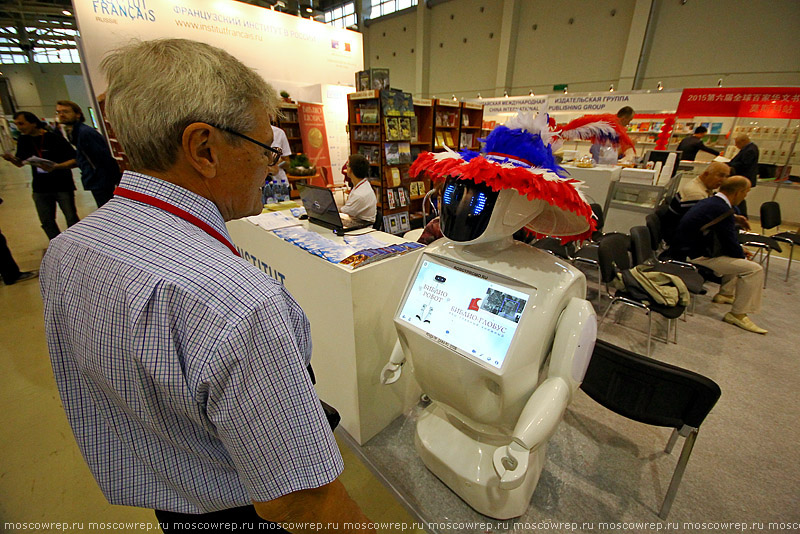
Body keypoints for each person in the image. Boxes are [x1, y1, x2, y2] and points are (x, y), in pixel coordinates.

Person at [39, 38, 374, 534]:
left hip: (172, 499)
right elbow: (301, 503)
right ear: (204, 149)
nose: (272, 167)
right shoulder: (240, 306)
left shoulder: (68, 250)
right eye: (266, 150)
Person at [674, 176, 767, 334]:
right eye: (746, 192)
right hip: (696, 254)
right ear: (738, 192)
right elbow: (730, 242)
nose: (746, 196)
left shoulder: (713, 202)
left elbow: (728, 235)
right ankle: (737, 313)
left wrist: (738, 247)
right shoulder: (721, 208)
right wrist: (741, 254)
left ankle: (725, 294)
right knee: (753, 269)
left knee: (736, 257)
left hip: (691, 248)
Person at [2, 111, 79, 239]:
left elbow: (75, 160)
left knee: (71, 218)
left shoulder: (54, 138)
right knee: (46, 221)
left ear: (33, 123)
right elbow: (20, 163)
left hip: (61, 184)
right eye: (16, 124)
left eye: (22, 123)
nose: (19, 127)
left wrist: (56, 167)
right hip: (40, 187)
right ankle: (57, 245)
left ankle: (77, 244)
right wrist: (11, 159)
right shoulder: (23, 140)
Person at [54, 100, 122, 208]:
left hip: (100, 179)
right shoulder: (73, 132)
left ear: (77, 114)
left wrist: (115, 180)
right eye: (59, 112)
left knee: (107, 207)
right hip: (95, 178)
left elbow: (103, 158)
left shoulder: (85, 133)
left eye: (65, 112)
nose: (61, 115)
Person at [727, 133, 759, 218]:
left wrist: (730, 165)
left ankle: (740, 215)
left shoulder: (750, 150)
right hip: (741, 177)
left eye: (737, 143)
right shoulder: (748, 148)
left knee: (738, 197)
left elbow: (744, 164)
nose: (736, 145)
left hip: (743, 177)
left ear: (744, 141)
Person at [340, 154, 377, 222]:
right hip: (357, 221)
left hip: (361, 228)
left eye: (347, 165)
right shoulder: (363, 185)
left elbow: (343, 212)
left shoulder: (359, 194)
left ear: (350, 170)